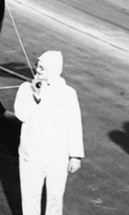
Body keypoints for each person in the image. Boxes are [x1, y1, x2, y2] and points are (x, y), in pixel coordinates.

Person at [14, 50, 84, 215]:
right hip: (31, 156)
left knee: (55, 200)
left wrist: (76, 156)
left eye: (42, 68)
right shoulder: (26, 88)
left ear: (54, 69)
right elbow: (21, 115)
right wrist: (34, 95)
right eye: (37, 66)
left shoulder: (68, 93)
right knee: (30, 199)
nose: (37, 70)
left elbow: (74, 124)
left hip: (57, 158)